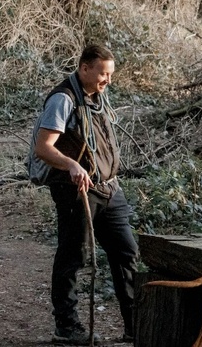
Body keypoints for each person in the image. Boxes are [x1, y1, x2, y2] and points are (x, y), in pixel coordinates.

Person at [27, 44, 138, 345]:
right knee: (73, 256)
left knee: (127, 253)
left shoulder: (97, 96)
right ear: (84, 68)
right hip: (75, 190)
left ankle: (134, 325)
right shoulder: (63, 99)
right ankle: (67, 327)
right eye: (103, 74)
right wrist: (72, 165)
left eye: (110, 74)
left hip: (109, 188)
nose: (108, 80)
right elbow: (43, 148)